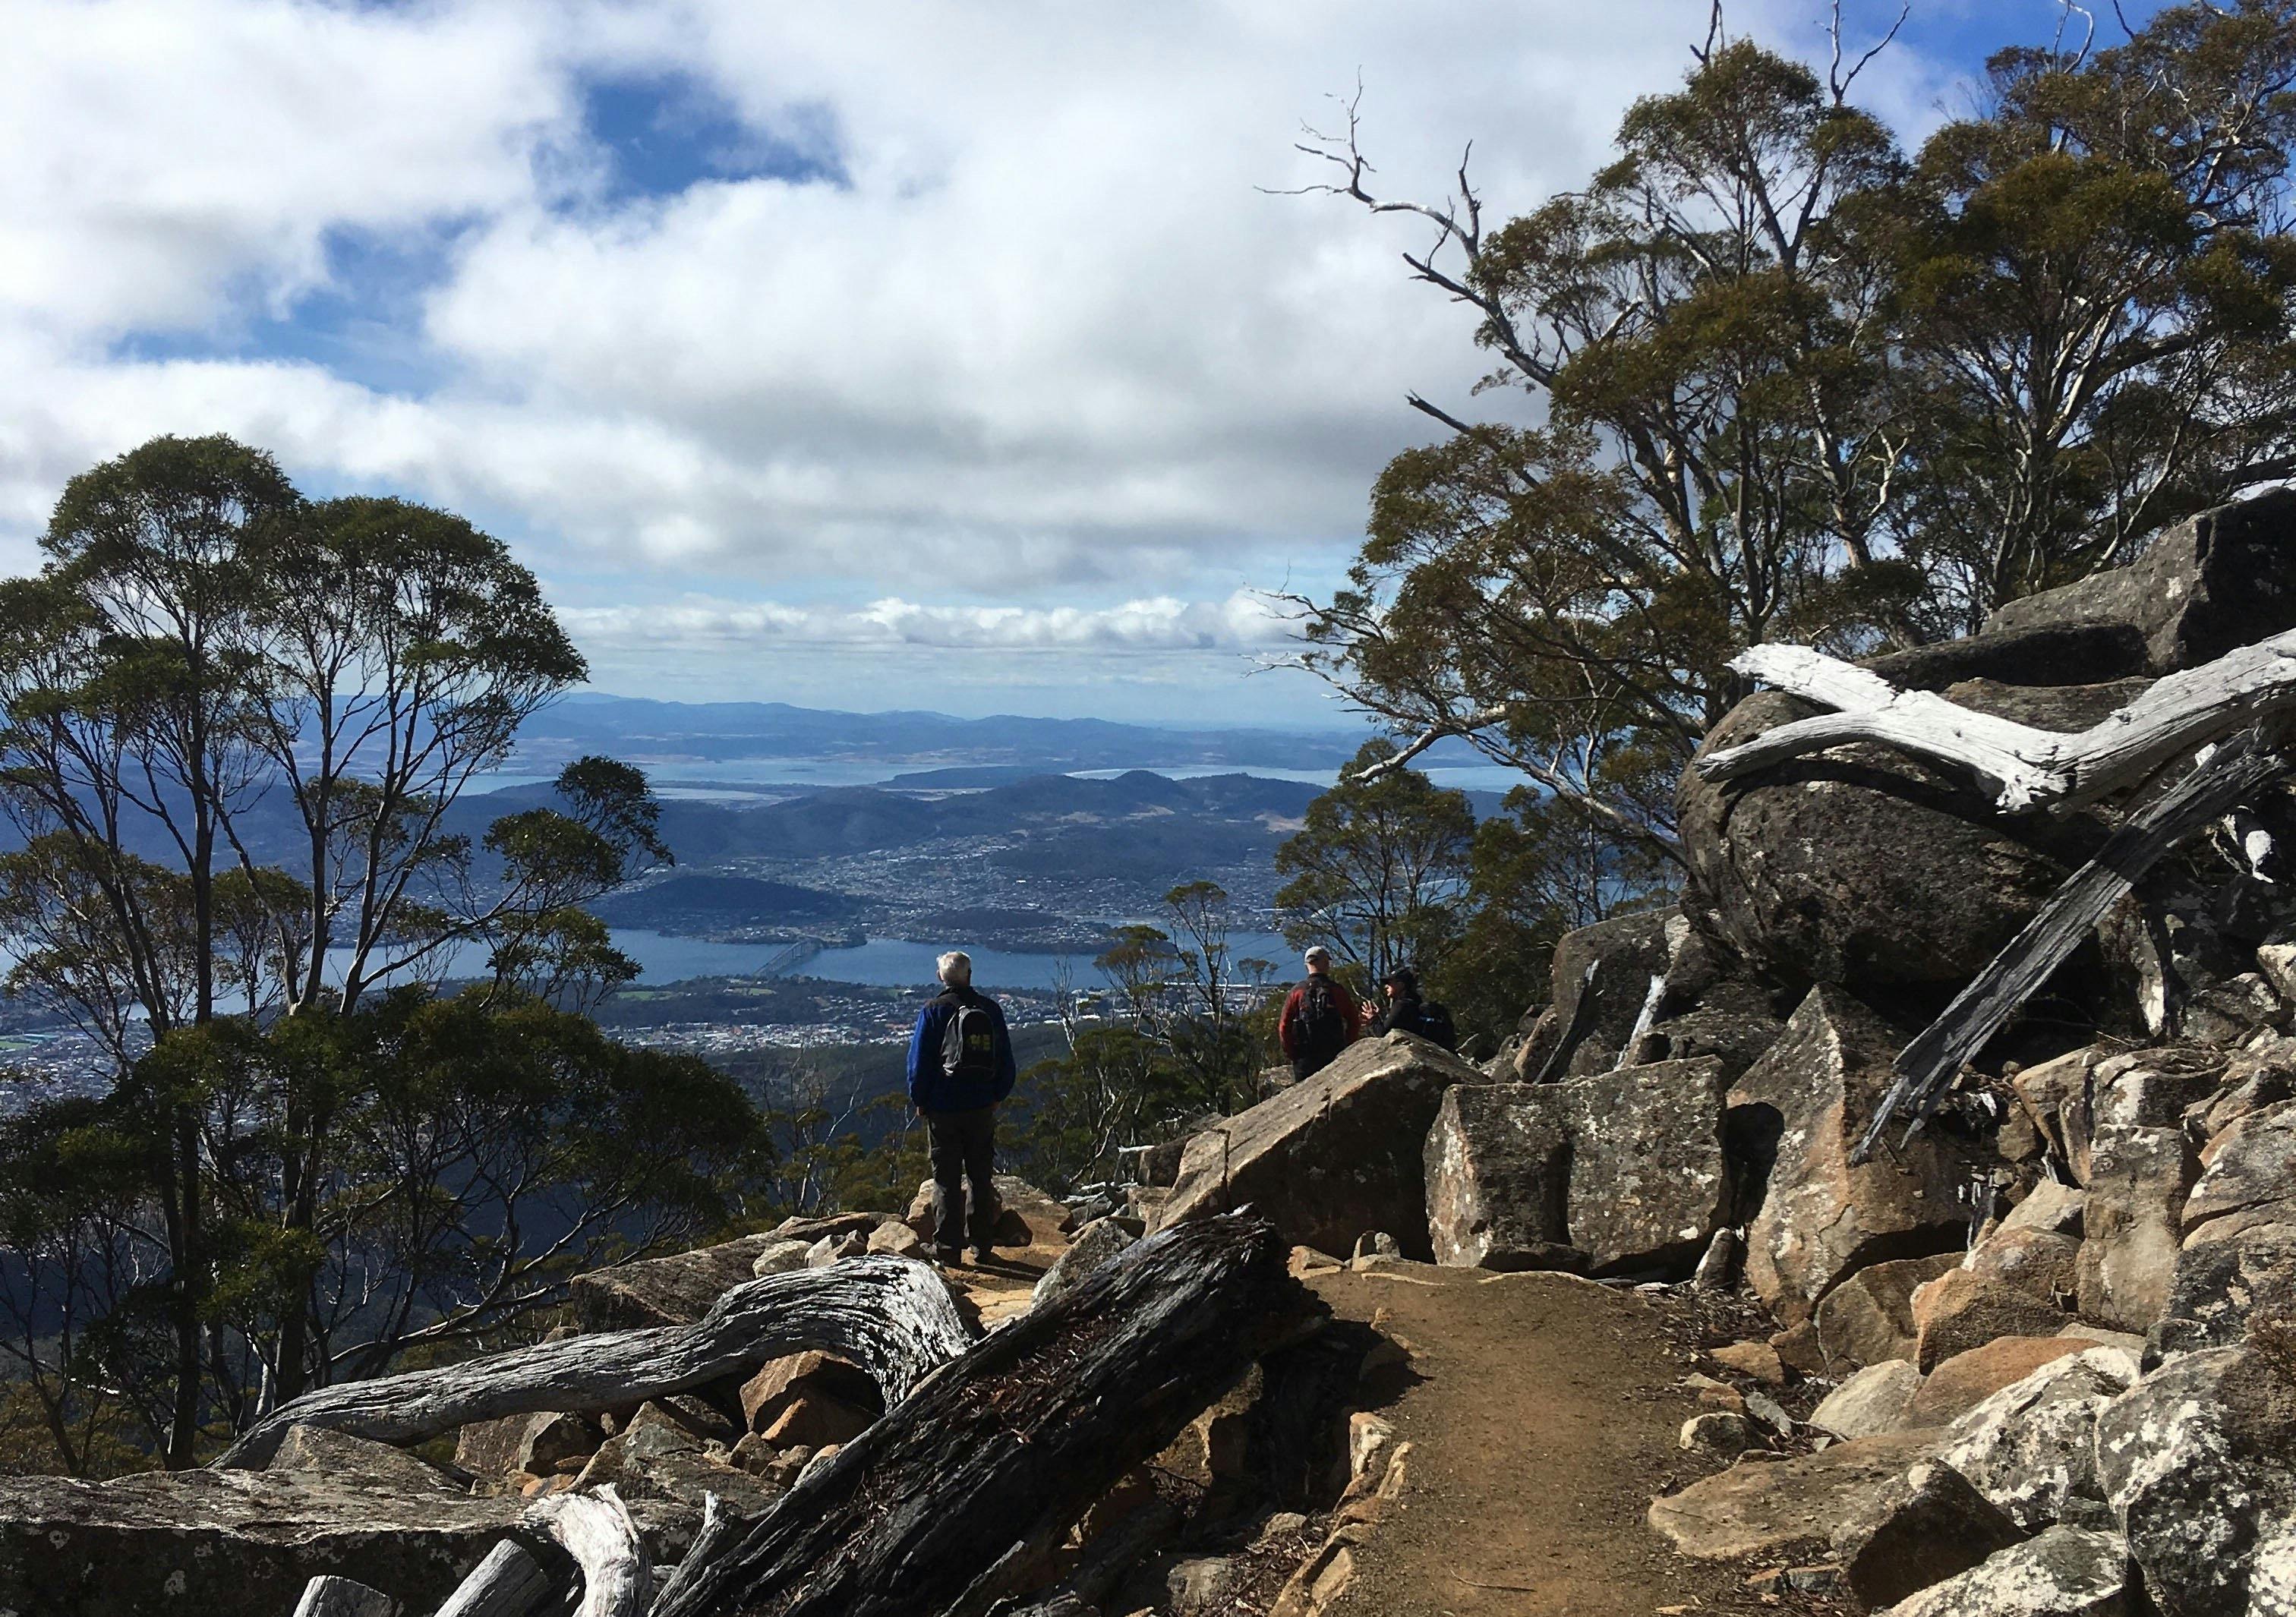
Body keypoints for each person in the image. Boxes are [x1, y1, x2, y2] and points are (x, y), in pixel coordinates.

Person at [905, 950, 1018, 1265]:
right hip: (982, 1106)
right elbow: (1006, 1061)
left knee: (947, 1180)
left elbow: (918, 1065)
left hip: (943, 1109)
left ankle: (948, 1250)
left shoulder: (933, 1011)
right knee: (981, 1178)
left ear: (941, 977)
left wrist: (921, 1100)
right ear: (969, 975)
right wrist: (998, 1095)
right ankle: (982, 1247)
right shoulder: (990, 1010)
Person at [1277, 945, 1366, 1082]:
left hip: (1305, 1057)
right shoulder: (1337, 991)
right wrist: (1346, 1047)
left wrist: (1293, 1054)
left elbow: (1284, 1026)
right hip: (1333, 1055)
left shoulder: (1298, 991)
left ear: (1307, 965)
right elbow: (1354, 1022)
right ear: (1326, 963)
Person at [1372, 966, 1459, 1052]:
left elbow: (1382, 1033)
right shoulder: (1416, 1004)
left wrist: (1373, 1019)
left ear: (1401, 985)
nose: (1386, 986)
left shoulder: (1402, 1005)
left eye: (1390, 983)